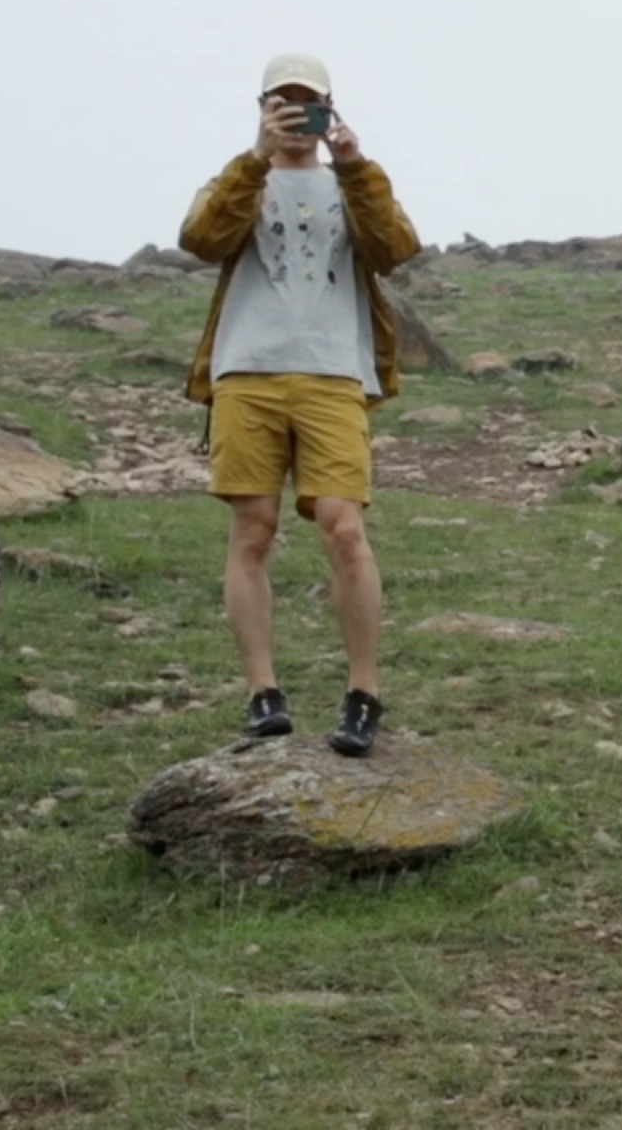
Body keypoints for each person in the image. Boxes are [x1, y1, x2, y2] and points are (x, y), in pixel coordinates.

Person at [179, 53, 422, 756]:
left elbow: (396, 249)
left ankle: (364, 693)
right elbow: (200, 240)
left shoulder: (352, 182)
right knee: (252, 533)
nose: (295, 117)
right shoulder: (237, 180)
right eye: (281, 104)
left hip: (332, 374)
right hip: (246, 373)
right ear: (261, 108)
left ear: (330, 110)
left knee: (345, 529)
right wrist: (253, 160)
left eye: (308, 103)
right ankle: (263, 692)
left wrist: (356, 167)